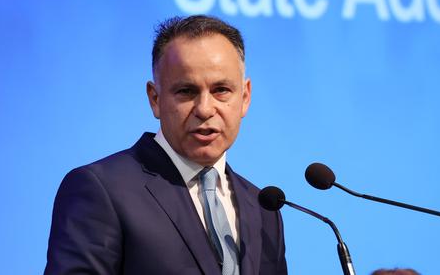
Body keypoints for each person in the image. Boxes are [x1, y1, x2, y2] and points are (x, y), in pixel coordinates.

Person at [45, 15, 288, 275]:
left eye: (221, 90)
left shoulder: (263, 207)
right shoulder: (102, 190)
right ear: (155, 99)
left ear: (245, 96)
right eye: (186, 91)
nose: (205, 109)